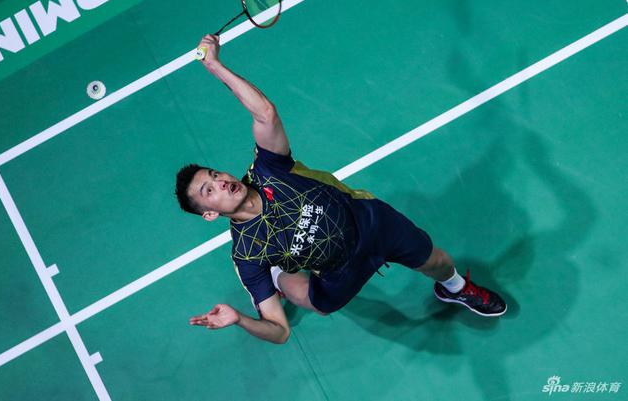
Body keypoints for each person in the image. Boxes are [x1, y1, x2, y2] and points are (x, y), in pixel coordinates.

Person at [177, 35, 506, 344]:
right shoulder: (248, 253)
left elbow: (265, 114)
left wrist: (215, 66)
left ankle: (454, 288)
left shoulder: (269, 169)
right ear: (210, 214)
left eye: (214, 174)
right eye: (209, 191)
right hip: (338, 272)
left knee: (438, 261)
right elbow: (280, 332)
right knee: (316, 302)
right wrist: (239, 319)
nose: (220, 181)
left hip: (371, 223)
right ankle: (278, 276)